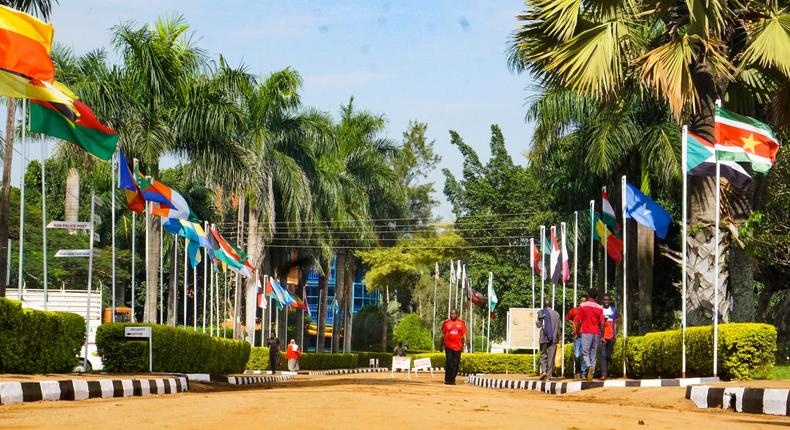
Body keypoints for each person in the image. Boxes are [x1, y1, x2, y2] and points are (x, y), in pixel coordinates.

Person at [576, 289, 604, 381]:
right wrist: (602, 335)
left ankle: (589, 366)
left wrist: (577, 332)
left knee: (585, 352)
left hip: (586, 331)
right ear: (596, 297)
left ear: (588, 296)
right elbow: (602, 323)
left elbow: (579, 321)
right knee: (594, 353)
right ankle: (592, 369)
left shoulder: (582, 305)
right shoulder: (599, 307)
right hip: (596, 332)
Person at [440, 309, 467, 385]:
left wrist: (466, 344)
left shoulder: (461, 323)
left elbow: (464, 335)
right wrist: (440, 345)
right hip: (448, 346)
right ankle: (447, 379)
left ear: (457, 314)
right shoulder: (446, 323)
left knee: (456, 364)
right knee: (448, 361)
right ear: (450, 314)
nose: (453, 315)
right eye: (451, 314)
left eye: (454, 313)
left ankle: (452, 379)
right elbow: (442, 335)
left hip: (458, 347)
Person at [537, 299, 561, 381]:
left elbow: (538, 325)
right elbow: (559, 328)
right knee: (551, 357)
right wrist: (559, 338)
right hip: (553, 338)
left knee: (543, 355)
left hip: (543, 337)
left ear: (544, 305)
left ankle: (543, 371)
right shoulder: (556, 314)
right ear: (551, 305)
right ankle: (548, 376)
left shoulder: (541, 312)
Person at [565, 294, 588, 380]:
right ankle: (577, 371)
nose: (583, 303)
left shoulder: (588, 311)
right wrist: (573, 324)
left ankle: (583, 372)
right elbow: (567, 318)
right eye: (582, 301)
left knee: (585, 355)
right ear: (579, 301)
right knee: (577, 355)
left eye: (584, 301)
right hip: (577, 336)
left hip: (586, 335)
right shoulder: (574, 310)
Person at [600, 294, 619, 380]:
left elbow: (617, 321)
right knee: (603, 355)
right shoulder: (600, 310)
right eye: (605, 300)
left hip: (611, 336)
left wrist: (616, 332)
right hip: (602, 336)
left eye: (608, 300)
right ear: (602, 301)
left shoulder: (614, 310)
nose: (606, 302)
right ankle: (604, 374)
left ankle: (607, 372)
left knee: (608, 355)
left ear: (609, 301)